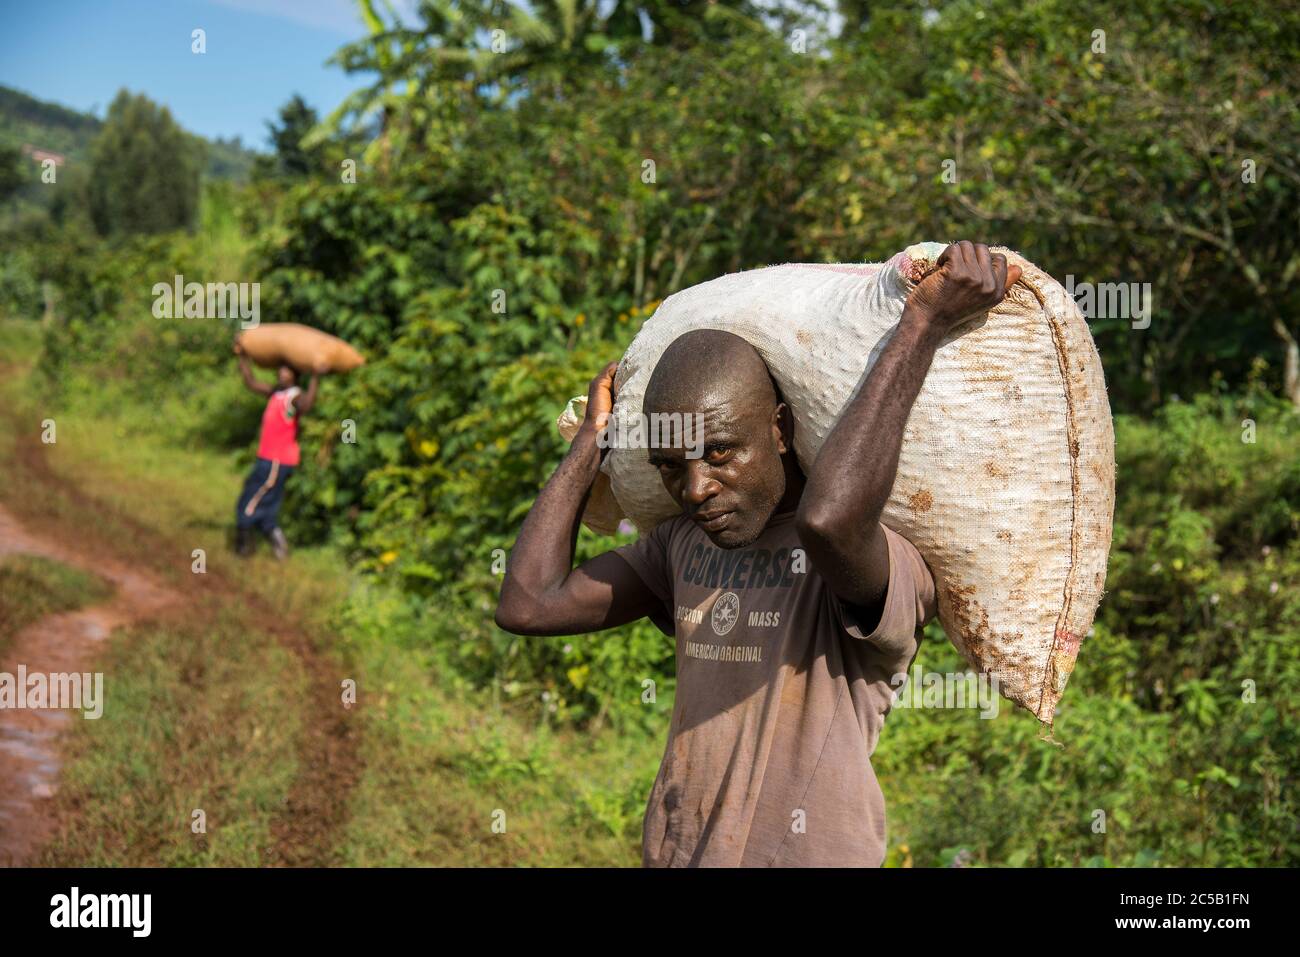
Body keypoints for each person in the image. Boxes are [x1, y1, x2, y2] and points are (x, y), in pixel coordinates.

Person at [495, 241, 1022, 867]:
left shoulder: (874, 564)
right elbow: (527, 603)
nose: (695, 490)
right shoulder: (680, 547)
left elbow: (829, 520)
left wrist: (923, 323)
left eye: (720, 453)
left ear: (778, 428)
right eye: (671, 466)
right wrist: (591, 441)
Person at [231, 337, 323, 559]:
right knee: (268, 503)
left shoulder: (295, 397)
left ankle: (243, 546)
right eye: (281, 369)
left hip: (276, 460)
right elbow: (251, 382)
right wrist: (243, 357)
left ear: (296, 375)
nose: (282, 373)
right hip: (269, 459)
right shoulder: (276, 393)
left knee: (250, 500)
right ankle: (277, 544)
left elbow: (307, 405)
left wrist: (316, 377)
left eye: (287, 370)